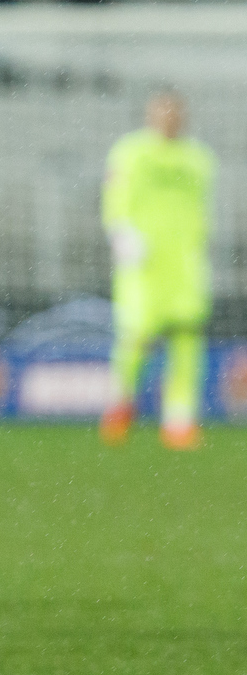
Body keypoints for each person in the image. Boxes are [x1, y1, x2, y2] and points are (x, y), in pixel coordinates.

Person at [98, 91, 214, 450]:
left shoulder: (199, 159)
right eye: (161, 112)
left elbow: (200, 210)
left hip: (184, 265)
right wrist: (121, 234)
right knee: (136, 338)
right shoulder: (131, 152)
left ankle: (179, 421)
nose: (168, 118)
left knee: (187, 340)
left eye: (174, 112)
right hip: (143, 263)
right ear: (150, 115)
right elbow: (114, 198)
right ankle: (121, 404)